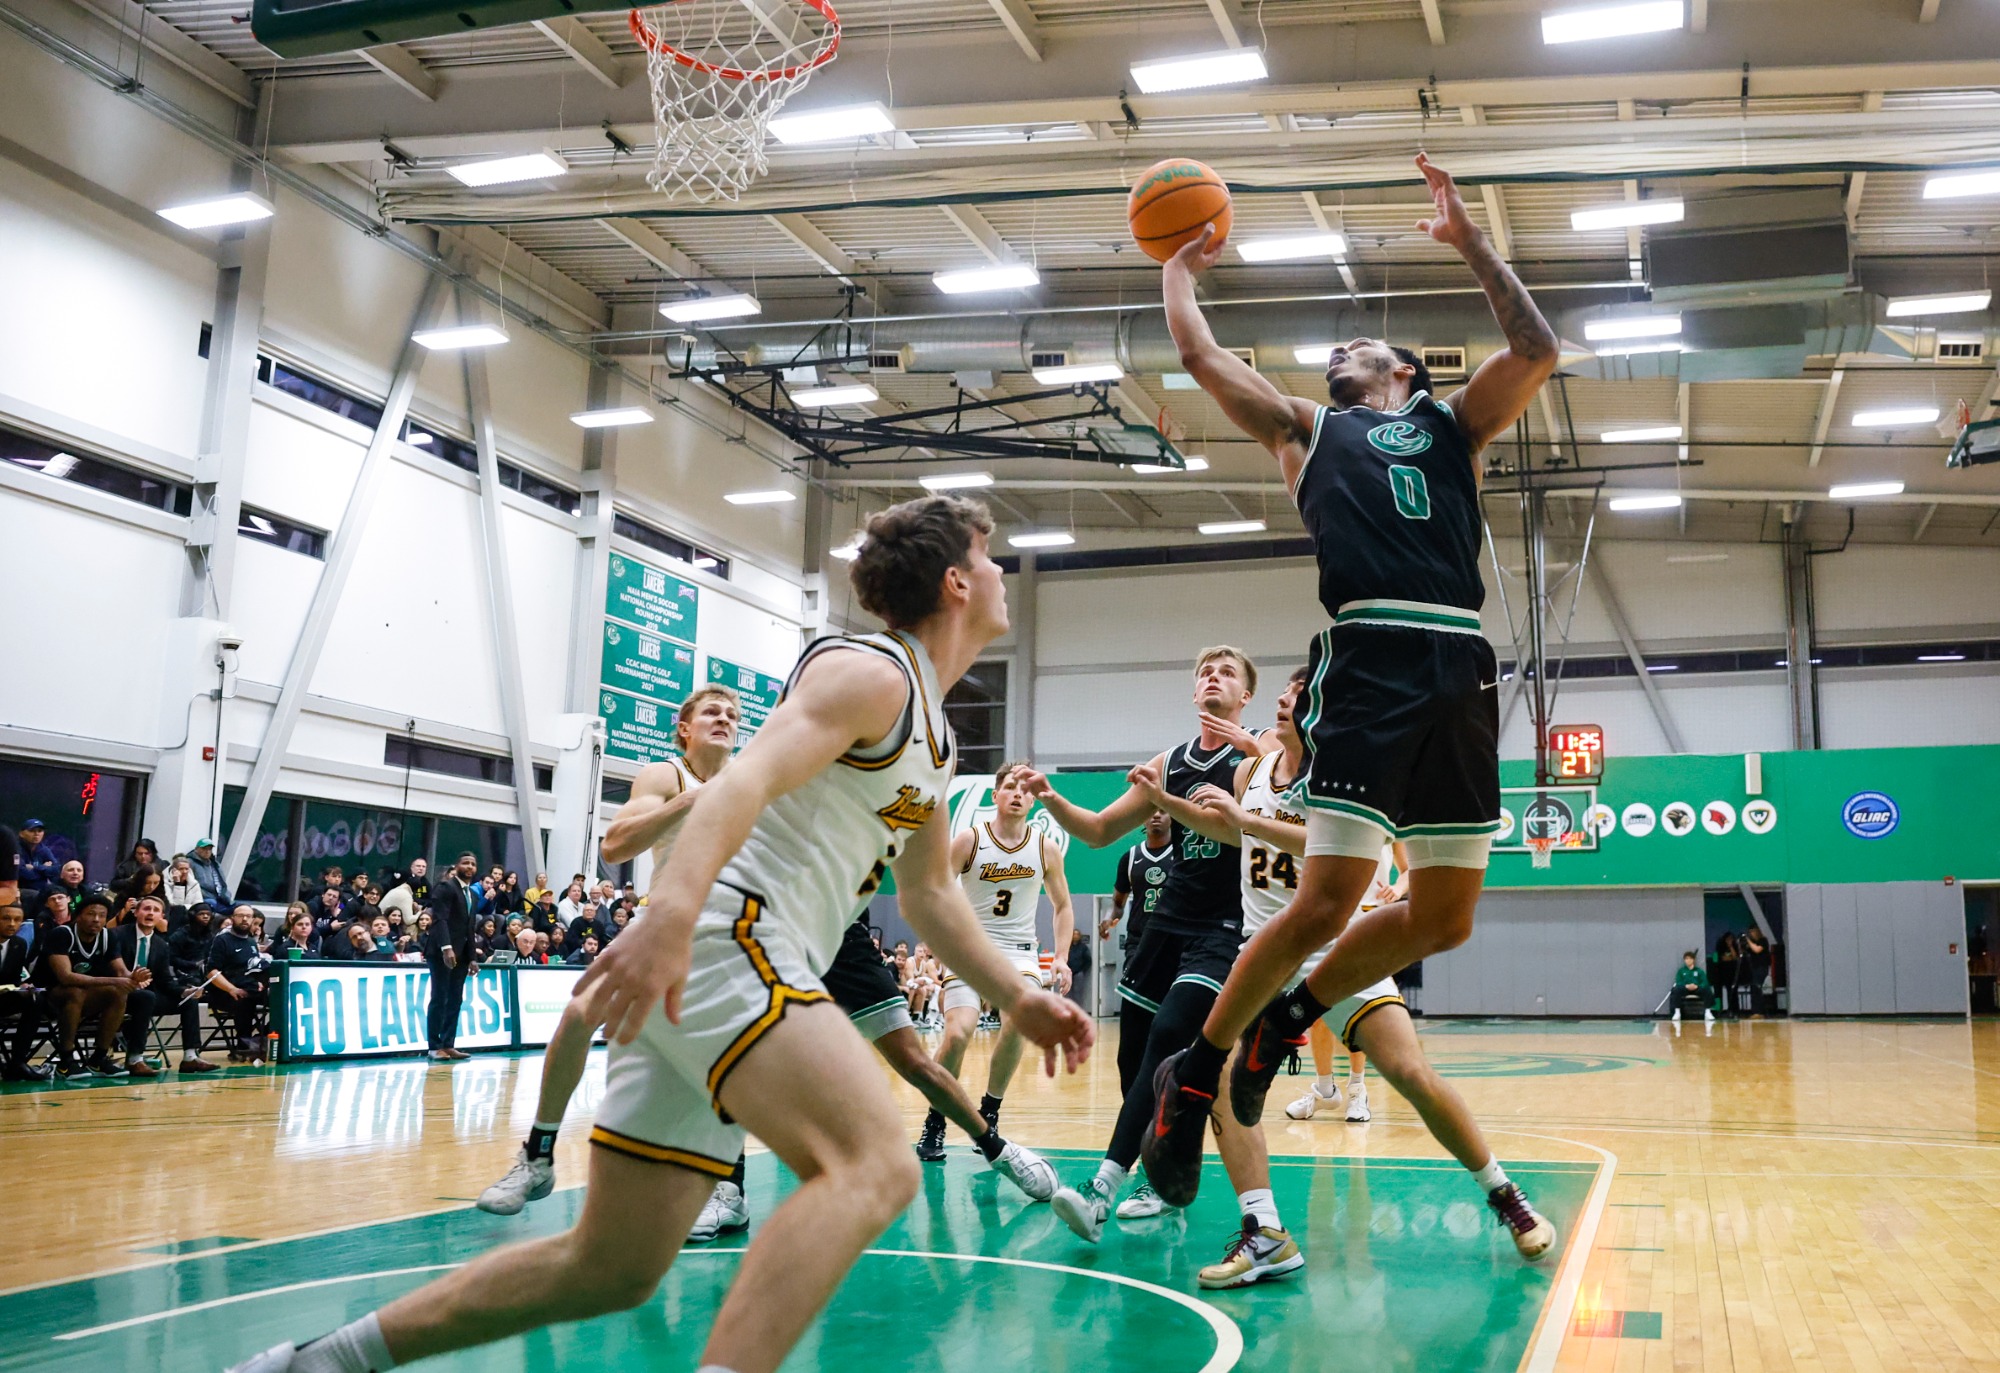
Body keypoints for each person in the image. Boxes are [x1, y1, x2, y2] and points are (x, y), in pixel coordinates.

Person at [229, 494, 1095, 1373]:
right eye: (990, 558)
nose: (998, 574)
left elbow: (929, 893)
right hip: (731, 942)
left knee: (608, 1267)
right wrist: (672, 917)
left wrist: (1017, 992)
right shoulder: (870, 673)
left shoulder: (937, 734)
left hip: (718, 969)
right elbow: (738, 782)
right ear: (955, 581)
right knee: (876, 1163)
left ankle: (316, 1363)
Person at [1140, 155, 1561, 1219]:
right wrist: (1176, 265)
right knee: (1325, 897)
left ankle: (1290, 1019)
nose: (1337, 348)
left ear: (1404, 374)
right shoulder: (1302, 429)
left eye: (1358, 345)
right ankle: (1192, 1079)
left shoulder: (1453, 426)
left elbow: (1536, 347)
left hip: (1458, 659)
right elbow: (1193, 353)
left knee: (1444, 918)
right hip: (1369, 653)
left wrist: (1468, 240)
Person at [1142, 667, 1554, 1284]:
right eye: (1283, 692)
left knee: (1409, 1070)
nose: (1284, 702)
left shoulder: (1345, 776)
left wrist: (1248, 822)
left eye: (1298, 696)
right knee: (1223, 1081)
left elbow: (1320, 844)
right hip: (1263, 946)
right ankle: (1265, 1233)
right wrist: (1170, 806)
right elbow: (1230, 828)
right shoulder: (1248, 771)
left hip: (1340, 950)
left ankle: (1505, 1194)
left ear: (1323, 712)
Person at [1019, 647, 1264, 1235]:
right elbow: (1102, 830)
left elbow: (1236, 830)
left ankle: (1103, 1187)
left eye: (1228, 672)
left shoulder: (1258, 754)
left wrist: (1164, 801)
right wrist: (1052, 799)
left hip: (1222, 926)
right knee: (1136, 1059)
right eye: (1206, 670)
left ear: (1245, 695)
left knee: (1168, 1037)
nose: (1214, 677)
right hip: (1165, 926)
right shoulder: (1170, 760)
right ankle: (1159, 1174)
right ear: (1193, 689)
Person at [919, 761, 1075, 1157]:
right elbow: (936, 888)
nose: (1018, 793)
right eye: (1010, 786)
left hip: (1019, 954)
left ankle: (990, 1109)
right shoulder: (970, 840)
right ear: (996, 795)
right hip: (970, 950)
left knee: (1019, 1024)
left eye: (1025, 788)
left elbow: (1062, 906)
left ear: (1034, 798)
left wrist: (1061, 957)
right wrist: (938, 938)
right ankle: (936, 1120)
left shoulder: (1045, 847)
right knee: (956, 1034)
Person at [111, 893, 219, 1075]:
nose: (150, 913)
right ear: (136, 912)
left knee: (189, 1000)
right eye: (146, 909)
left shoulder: (161, 944)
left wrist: (185, 991)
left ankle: (190, 1057)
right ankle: (134, 1058)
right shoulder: (117, 935)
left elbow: (165, 980)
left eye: (156, 910)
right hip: (119, 993)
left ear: (162, 917)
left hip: (149, 996)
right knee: (146, 997)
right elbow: (110, 969)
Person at [35, 891, 134, 1079]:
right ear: (78, 916)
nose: (96, 919)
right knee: (75, 992)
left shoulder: (108, 937)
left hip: (84, 996)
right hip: (46, 997)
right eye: (91, 914)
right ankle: (66, 1061)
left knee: (118, 993)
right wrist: (116, 980)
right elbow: (66, 977)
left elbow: (121, 972)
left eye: (102, 915)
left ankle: (98, 1059)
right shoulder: (61, 934)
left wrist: (134, 978)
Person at [422, 853, 482, 1062]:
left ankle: (448, 1044)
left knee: (455, 999)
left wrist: (473, 957)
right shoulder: (446, 887)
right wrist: (446, 948)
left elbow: (469, 928)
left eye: (473, 864)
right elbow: (440, 920)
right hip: (442, 952)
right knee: (440, 998)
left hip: (462, 955)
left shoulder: (472, 895)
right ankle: (433, 1046)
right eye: (465, 863)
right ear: (456, 866)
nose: (469, 867)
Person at [208, 905, 272, 1062]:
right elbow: (212, 972)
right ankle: (242, 1045)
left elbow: (253, 967)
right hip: (224, 991)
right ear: (232, 918)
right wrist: (232, 989)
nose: (245, 919)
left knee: (281, 1001)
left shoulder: (250, 942)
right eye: (240, 915)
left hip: (249, 986)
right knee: (244, 999)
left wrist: (260, 983)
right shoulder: (222, 940)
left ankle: (260, 1038)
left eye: (248, 916)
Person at [0, 898, 53, 1082]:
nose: (12, 924)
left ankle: (18, 1062)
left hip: (3, 996)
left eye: (17, 919)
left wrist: (23, 986)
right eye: (6, 918)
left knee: (35, 998)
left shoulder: (19, 944)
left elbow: (15, 978)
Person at [188, 838, 233, 909]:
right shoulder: (190, 862)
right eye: (204, 849)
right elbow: (190, 884)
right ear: (196, 849)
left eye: (209, 849)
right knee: (212, 904)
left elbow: (223, 884)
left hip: (220, 898)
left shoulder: (215, 864)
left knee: (240, 908)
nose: (207, 851)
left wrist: (226, 895)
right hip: (203, 898)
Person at [1671, 951, 1714, 1024]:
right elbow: (1678, 982)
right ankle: (1677, 1013)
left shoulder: (1699, 971)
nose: (1688, 960)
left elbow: (1704, 982)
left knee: (1707, 989)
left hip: (1696, 988)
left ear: (1693, 960)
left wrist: (1697, 986)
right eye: (1686, 959)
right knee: (1676, 990)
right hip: (1685, 989)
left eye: (1690, 958)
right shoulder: (1681, 971)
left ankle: (1708, 1012)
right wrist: (1686, 986)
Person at [16, 820, 56, 895]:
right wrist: (44, 867)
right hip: (21, 890)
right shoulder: (15, 849)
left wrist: (35, 868)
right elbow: (23, 874)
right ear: (21, 834)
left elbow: (55, 870)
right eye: (32, 831)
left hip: (41, 890)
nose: (36, 834)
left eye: (40, 831)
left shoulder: (44, 849)